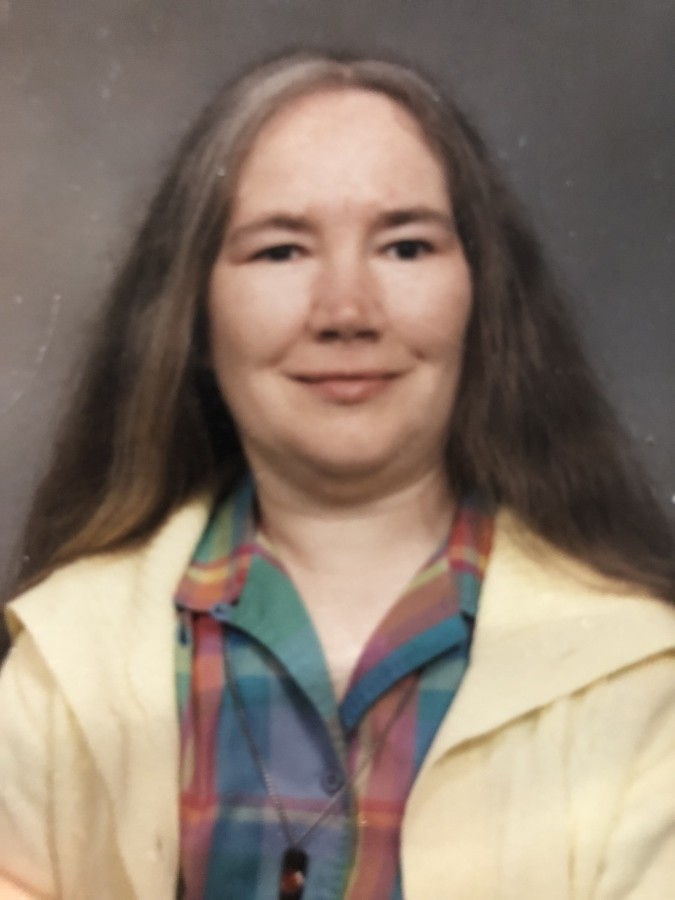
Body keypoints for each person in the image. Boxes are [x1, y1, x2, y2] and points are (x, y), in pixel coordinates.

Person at [0, 51, 674, 900]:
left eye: (404, 246)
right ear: (194, 315)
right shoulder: (67, 661)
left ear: (481, 299)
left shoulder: (638, 673)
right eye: (281, 251)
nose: (346, 312)